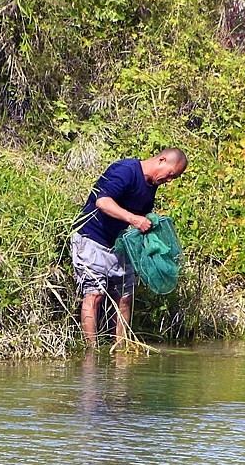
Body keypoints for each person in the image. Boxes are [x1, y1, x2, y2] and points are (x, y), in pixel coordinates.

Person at [71, 148, 188, 347]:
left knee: (125, 298)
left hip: (120, 244)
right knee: (94, 294)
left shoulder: (151, 185)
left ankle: (121, 348)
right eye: (170, 175)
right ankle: (90, 351)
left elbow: (142, 215)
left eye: (173, 178)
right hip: (91, 238)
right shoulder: (126, 170)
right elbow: (103, 201)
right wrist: (134, 219)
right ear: (161, 160)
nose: (169, 181)